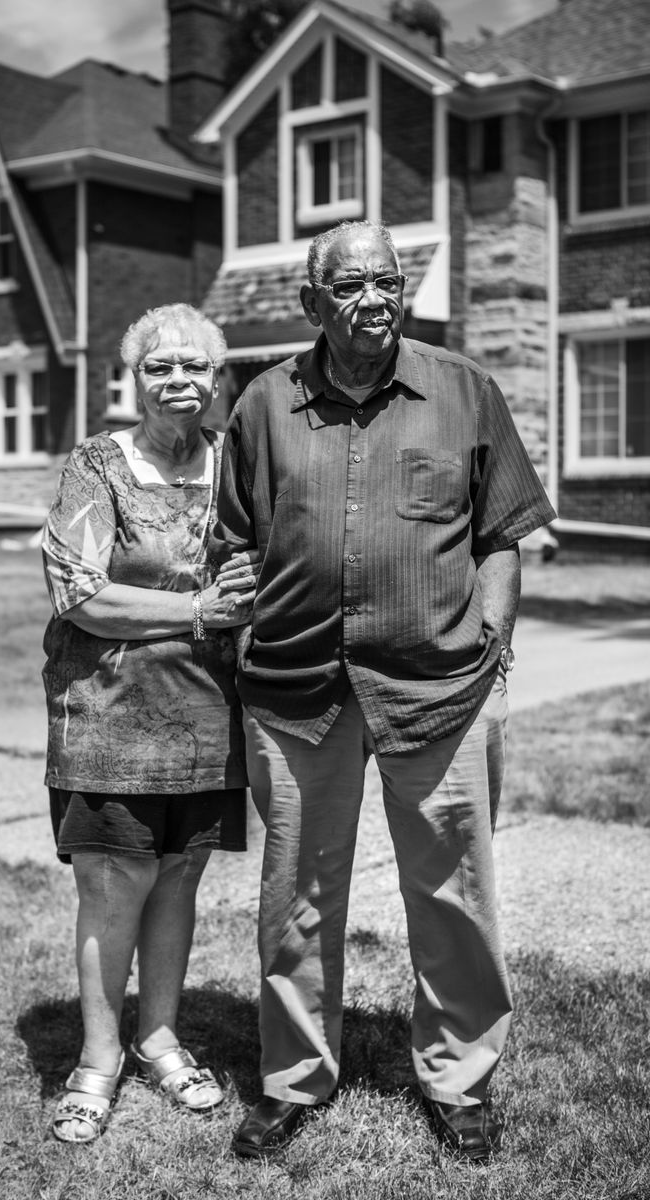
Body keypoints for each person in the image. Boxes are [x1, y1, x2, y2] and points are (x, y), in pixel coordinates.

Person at [211, 220, 557, 1163]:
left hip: (439, 685)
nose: (374, 300)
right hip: (296, 687)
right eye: (351, 285)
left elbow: (501, 535)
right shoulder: (263, 404)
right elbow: (232, 539)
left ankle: (459, 1080)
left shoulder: (464, 390)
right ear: (311, 303)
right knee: (297, 895)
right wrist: (240, 635)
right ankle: (294, 1077)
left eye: (388, 282)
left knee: (454, 893)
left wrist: (494, 642)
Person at [41, 302, 259, 1143]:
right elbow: (79, 591)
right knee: (113, 882)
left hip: (207, 714)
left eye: (194, 365)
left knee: (178, 878)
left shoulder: (234, 464)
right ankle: (97, 1060)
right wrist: (201, 609)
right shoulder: (99, 463)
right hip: (110, 712)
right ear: (134, 379)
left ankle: (159, 1038)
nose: (178, 380)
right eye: (159, 366)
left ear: (217, 377)